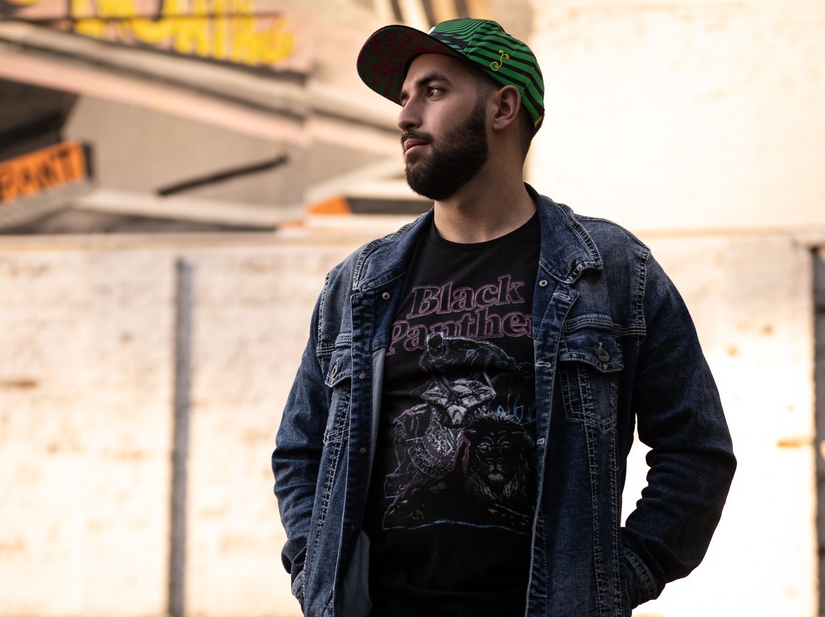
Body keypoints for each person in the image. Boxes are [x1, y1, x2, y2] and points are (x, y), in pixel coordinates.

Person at [272, 17, 736, 617]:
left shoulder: (612, 271)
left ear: (503, 107)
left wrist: (620, 576)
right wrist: (315, 571)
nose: (405, 116)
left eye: (433, 91)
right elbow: (301, 449)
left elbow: (696, 449)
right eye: (405, 97)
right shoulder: (358, 284)